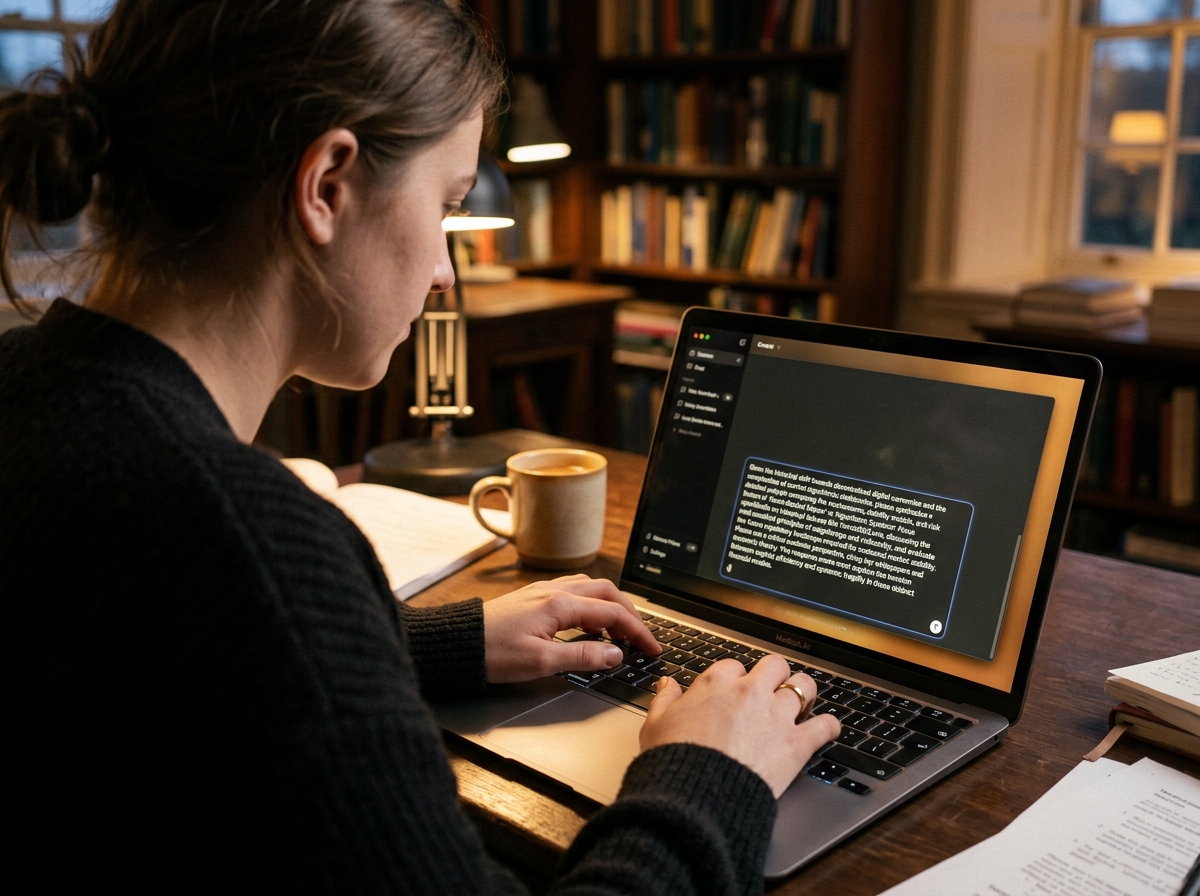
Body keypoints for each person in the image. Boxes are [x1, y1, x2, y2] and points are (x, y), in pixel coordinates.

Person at [0, 1, 839, 892]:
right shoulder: (249, 545)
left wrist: (433, 642)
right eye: (443, 203)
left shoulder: (25, 387)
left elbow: (180, 671)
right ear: (327, 185)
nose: (444, 267)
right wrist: (712, 775)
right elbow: (247, 617)